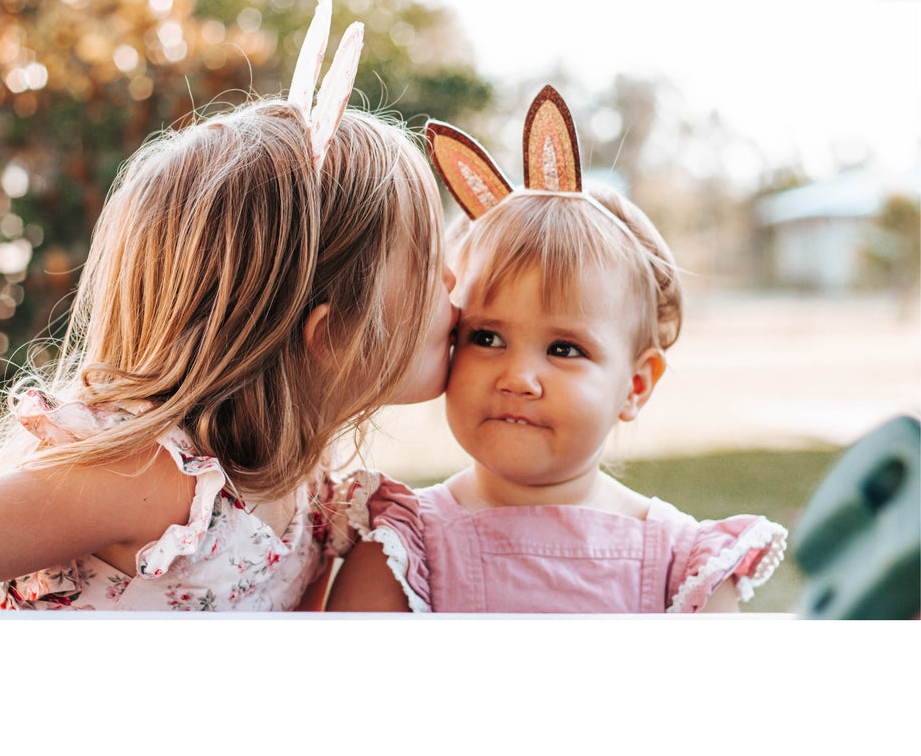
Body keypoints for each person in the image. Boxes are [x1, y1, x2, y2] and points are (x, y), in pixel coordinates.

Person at [0, 0, 457, 612]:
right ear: (331, 337)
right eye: (432, 266)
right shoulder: (153, 478)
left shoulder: (310, 489)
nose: (455, 283)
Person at [326, 86, 787, 613]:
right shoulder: (404, 548)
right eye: (487, 338)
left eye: (565, 349)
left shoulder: (682, 567)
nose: (519, 377)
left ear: (634, 386)